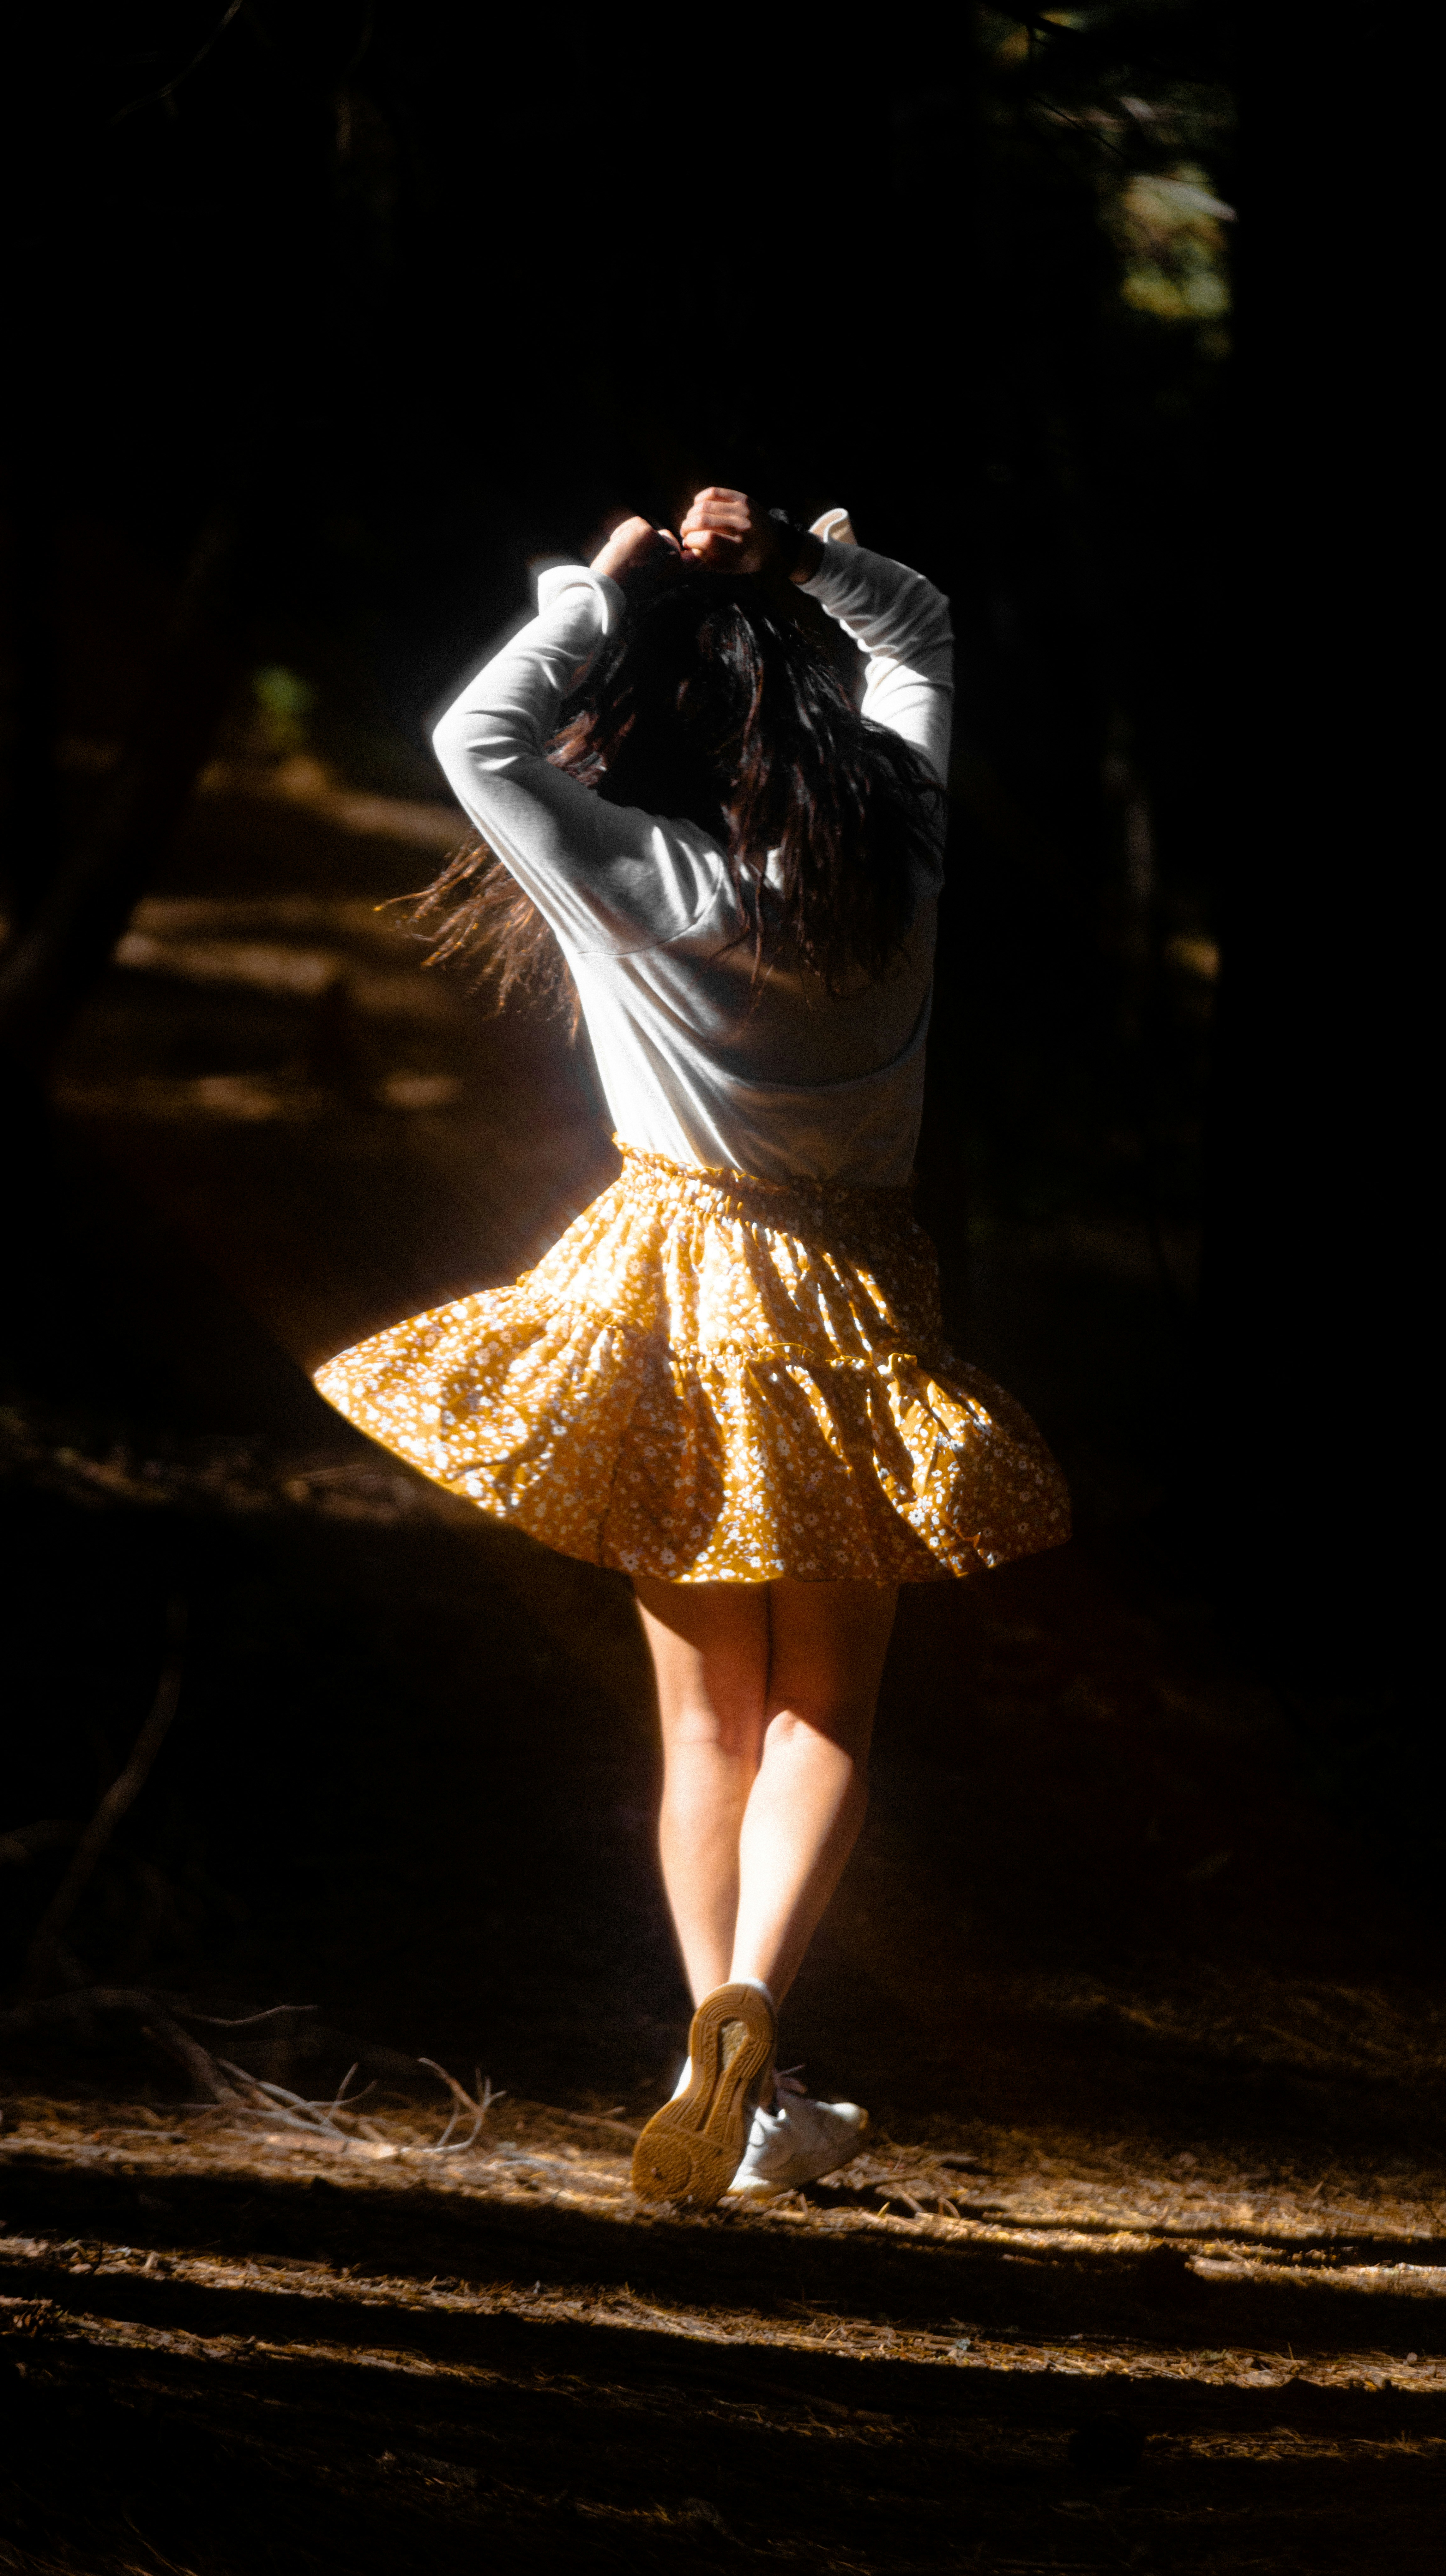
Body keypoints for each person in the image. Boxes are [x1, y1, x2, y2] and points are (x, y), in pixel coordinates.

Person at [315, 487, 1069, 2208]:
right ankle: (744, 2024)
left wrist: (611, 587)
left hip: (672, 1303)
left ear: (652, 742)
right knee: (830, 1717)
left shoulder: (644, 880)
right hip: (856, 1309)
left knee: (707, 1729)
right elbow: (921, 635)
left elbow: (475, 735)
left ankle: (722, 2063)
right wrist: (809, 564)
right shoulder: (909, 850)